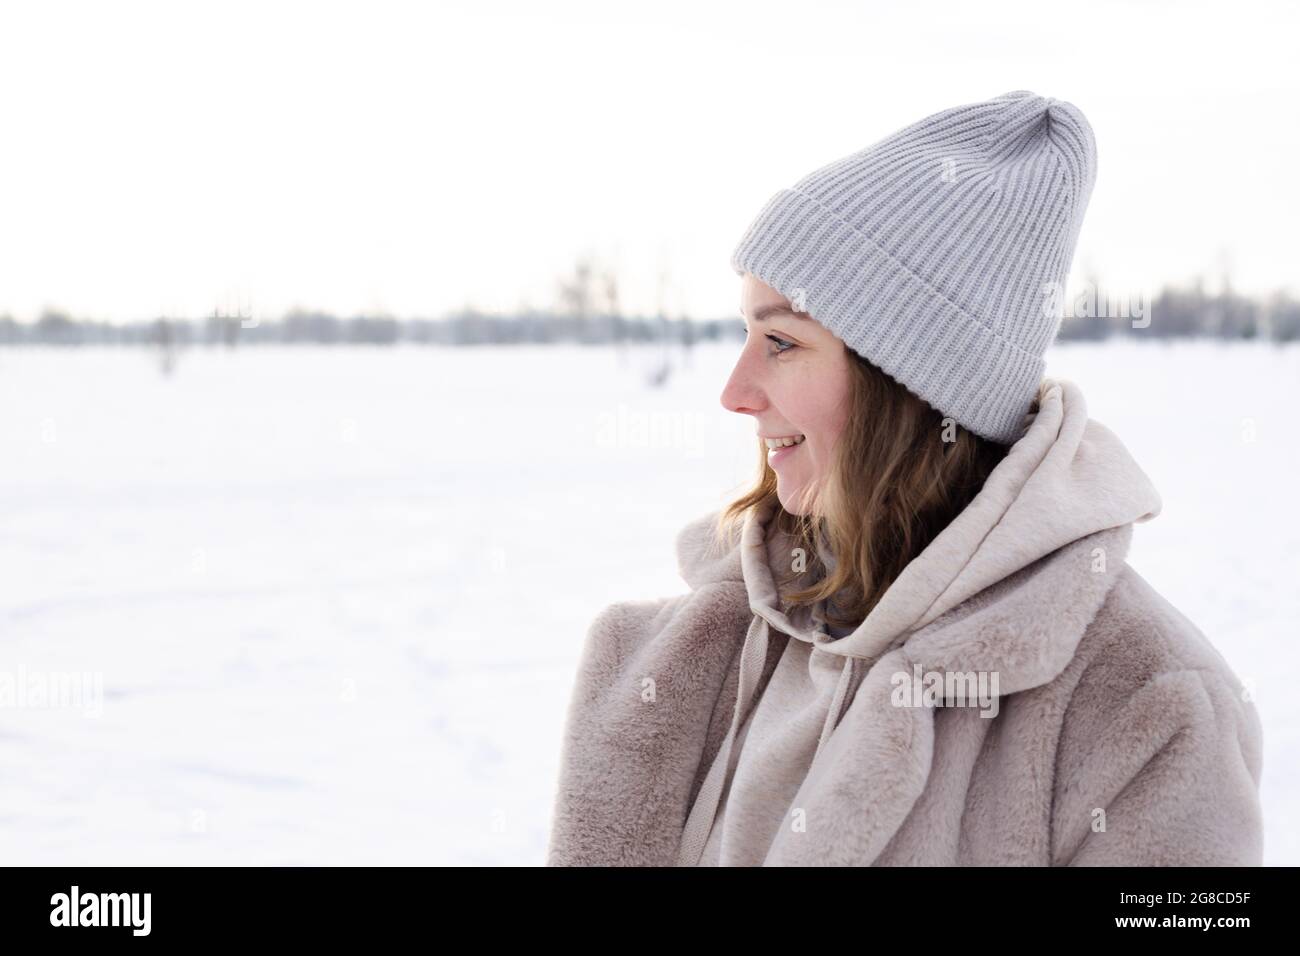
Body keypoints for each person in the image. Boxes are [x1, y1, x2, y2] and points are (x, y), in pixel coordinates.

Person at [545, 90, 1264, 866]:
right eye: (746, 333)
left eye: (782, 342)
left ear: (915, 389)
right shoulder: (687, 661)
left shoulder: (1148, 705)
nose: (735, 392)